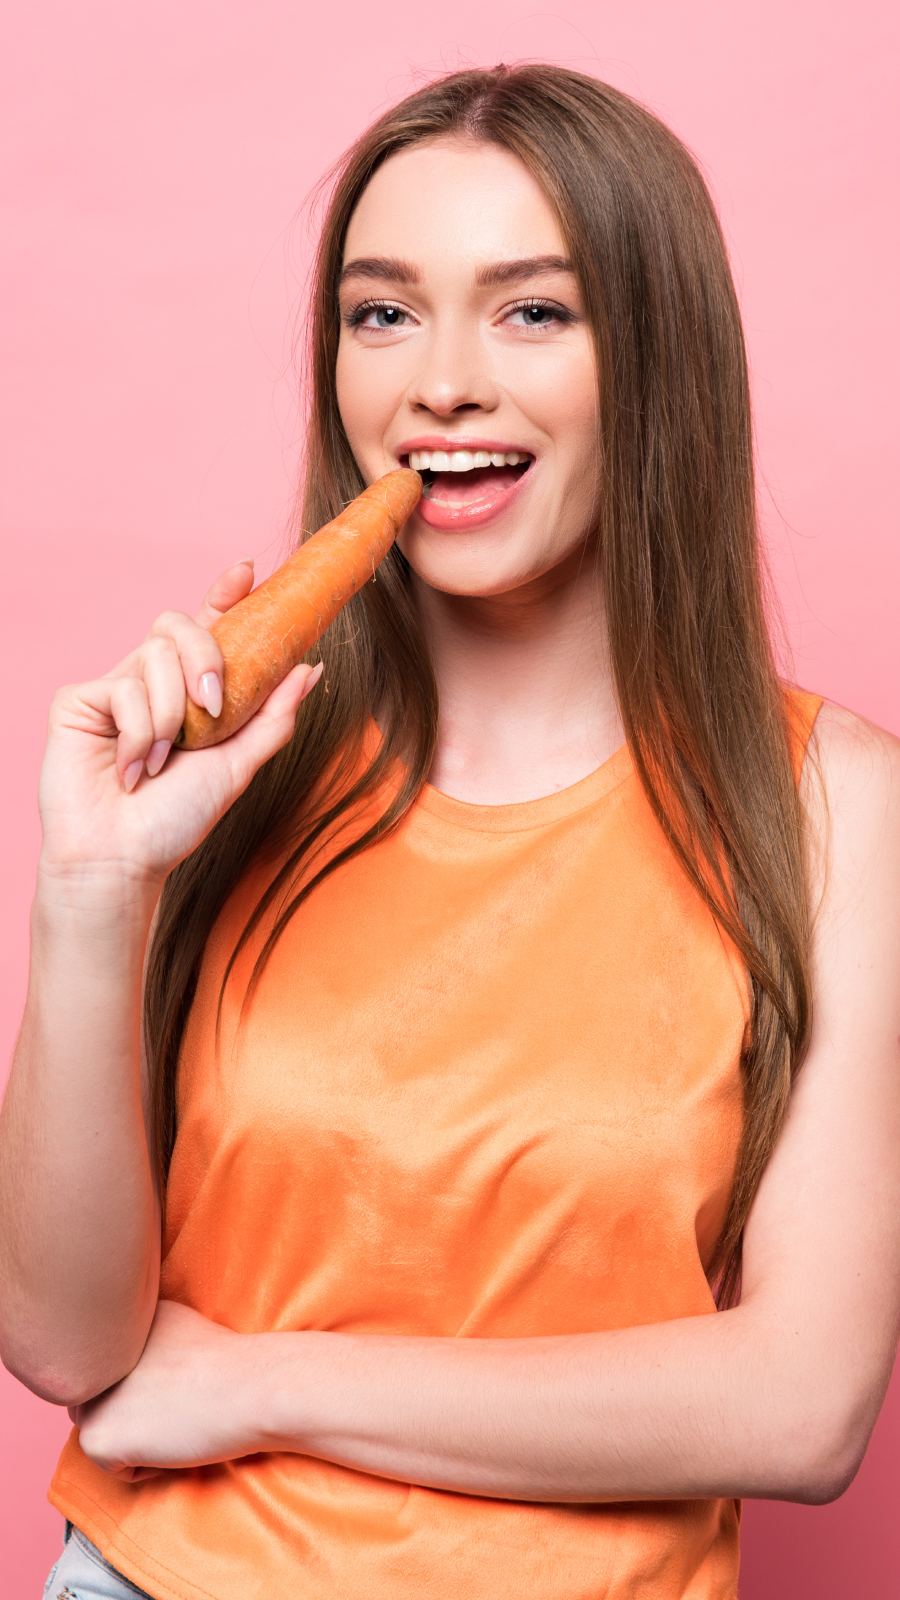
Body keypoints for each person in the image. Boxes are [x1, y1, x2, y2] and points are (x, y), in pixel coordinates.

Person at [3, 61, 898, 1600]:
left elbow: (803, 1405)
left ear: (656, 360)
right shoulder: (234, 760)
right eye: (383, 312)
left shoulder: (836, 806)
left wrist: (270, 1382)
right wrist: (94, 891)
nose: (441, 384)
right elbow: (66, 1343)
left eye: (534, 311)